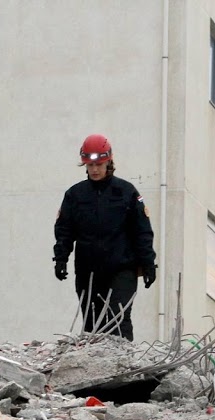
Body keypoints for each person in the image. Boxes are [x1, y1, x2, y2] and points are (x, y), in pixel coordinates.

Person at [53, 134, 157, 341]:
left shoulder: (126, 192)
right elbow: (64, 230)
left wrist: (148, 264)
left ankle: (122, 363)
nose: (94, 169)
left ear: (109, 161)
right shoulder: (75, 195)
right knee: (92, 323)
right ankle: (94, 368)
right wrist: (61, 259)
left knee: (118, 317)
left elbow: (142, 231)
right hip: (88, 270)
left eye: (99, 164)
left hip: (121, 268)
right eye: (90, 165)